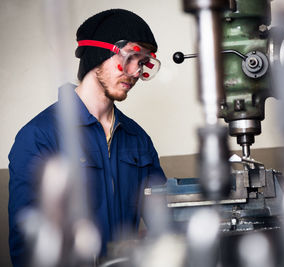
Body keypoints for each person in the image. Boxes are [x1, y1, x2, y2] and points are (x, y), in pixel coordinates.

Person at [8, 9, 166, 266]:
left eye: (144, 62)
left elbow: (163, 220)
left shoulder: (137, 139)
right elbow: (27, 246)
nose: (136, 72)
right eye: (132, 58)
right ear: (99, 55)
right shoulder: (39, 137)